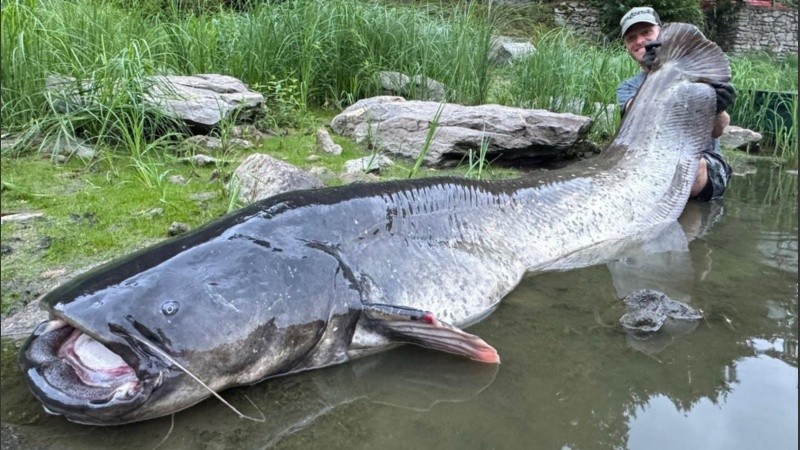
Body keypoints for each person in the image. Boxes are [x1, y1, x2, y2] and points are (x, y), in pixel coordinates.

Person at [616, 7, 735, 201]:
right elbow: (634, 115)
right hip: (649, 162)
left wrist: (718, 107)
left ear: (660, 32)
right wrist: (655, 75)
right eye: (631, 38)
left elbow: (718, 129)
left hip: (702, 163)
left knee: (689, 168)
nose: (639, 41)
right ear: (626, 46)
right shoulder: (627, 87)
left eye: (646, 32)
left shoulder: (695, 72)